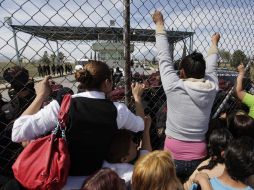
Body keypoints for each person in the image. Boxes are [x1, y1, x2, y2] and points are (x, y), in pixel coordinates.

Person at [12, 60, 145, 189]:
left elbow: (18, 132)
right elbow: (140, 125)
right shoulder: (117, 110)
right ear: (107, 82)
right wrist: (137, 98)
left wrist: (40, 96)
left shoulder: (63, 105)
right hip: (97, 182)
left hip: (58, 179)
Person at [152, 10, 220, 181]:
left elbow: (164, 57)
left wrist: (159, 24)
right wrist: (214, 43)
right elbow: (212, 66)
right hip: (199, 156)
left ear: (181, 72)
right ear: (203, 73)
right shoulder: (212, 87)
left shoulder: (174, 86)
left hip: (172, 155)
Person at [103, 115, 152, 184]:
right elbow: (147, 157)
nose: (136, 145)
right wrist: (146, 129)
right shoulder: (131, 174)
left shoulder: (103, 165)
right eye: (133, 146)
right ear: (124, 159)